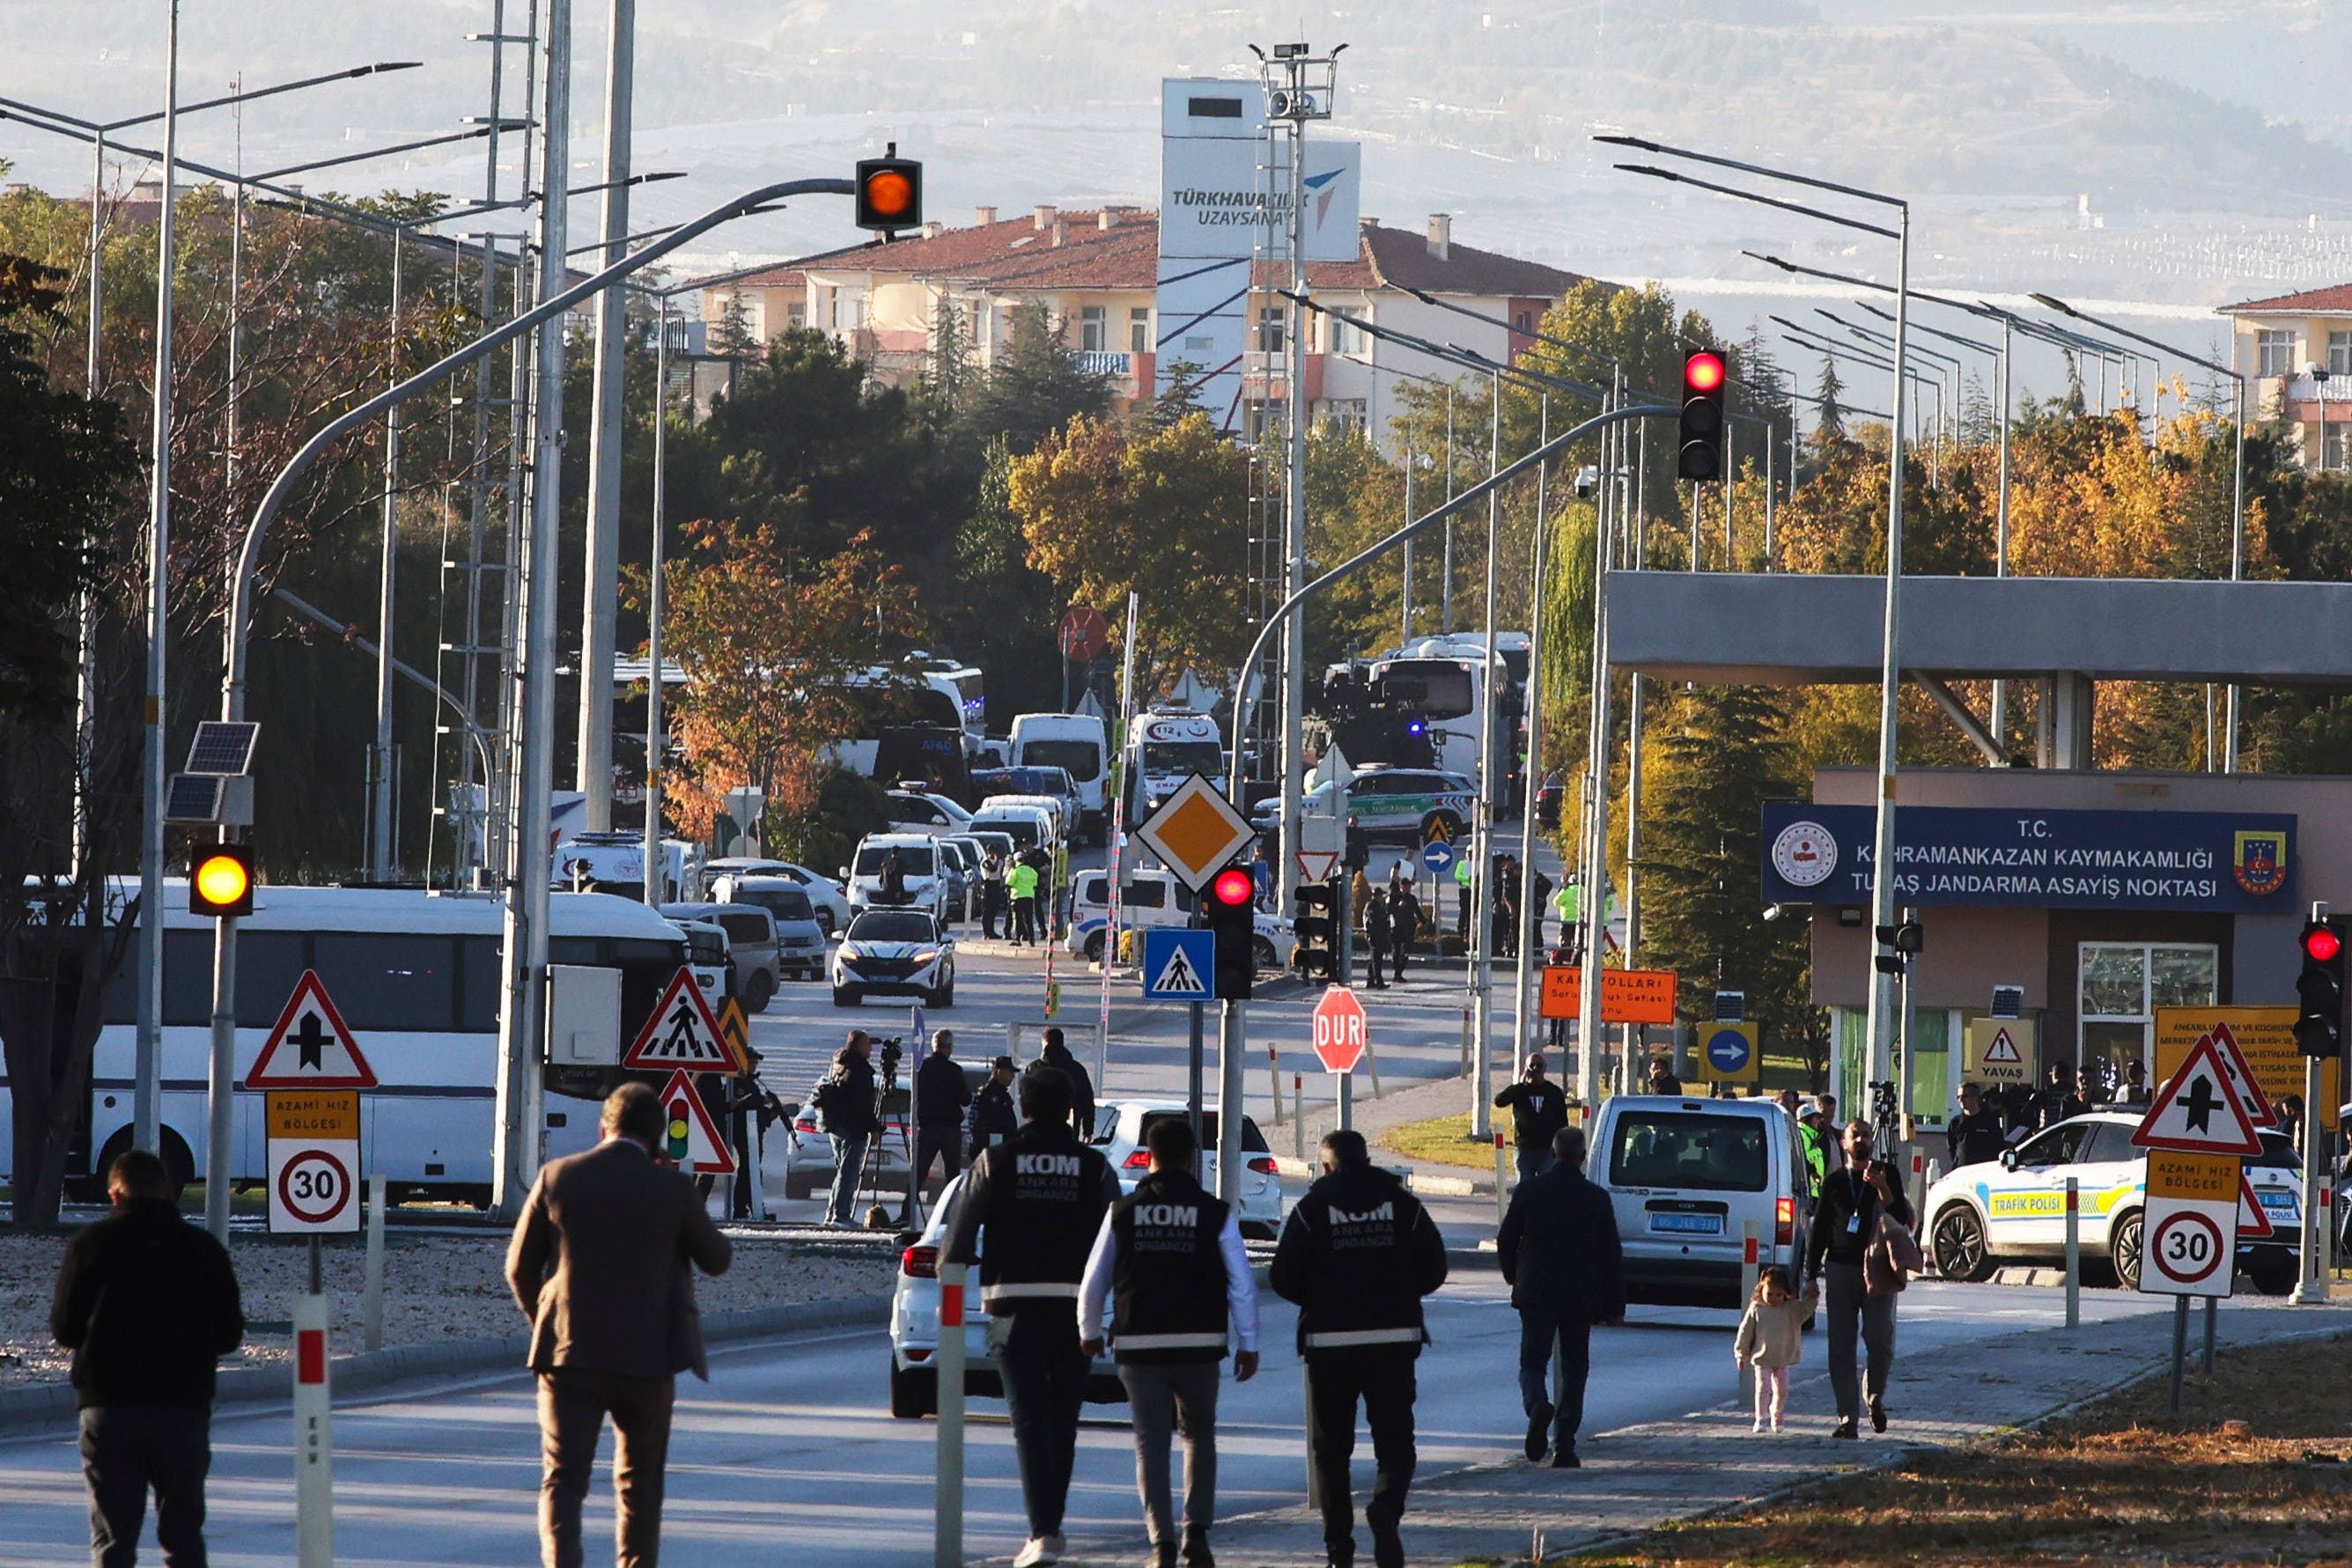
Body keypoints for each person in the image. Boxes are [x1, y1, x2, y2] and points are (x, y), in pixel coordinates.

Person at [506, 1082, 734, 1568]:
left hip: (570, 1356)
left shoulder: (557, 1176)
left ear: (602, 1126)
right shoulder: (671, 1189)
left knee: (564, 1479)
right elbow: (717, 1259)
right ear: (656, 1137)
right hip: (648, 1360)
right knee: (640, 1483)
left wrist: (545, 1324)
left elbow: (519, 1268)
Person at [945, 1063, 1121, 1568]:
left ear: (1023, 1107)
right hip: (1074, 1307)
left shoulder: (995, 1161)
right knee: (1064, 1419)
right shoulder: (1094, 1167)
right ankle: (1052, 1525)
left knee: (1027, 1419)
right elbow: (1118, 1235)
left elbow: (956, 1241)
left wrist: (949, 1271)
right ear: (1069, 1110)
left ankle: (1042, 1532)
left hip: (1012, 1303)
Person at [1080, 1116, 1261, 1568]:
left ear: (1150, 1155)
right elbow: (1241, 1282)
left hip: (1140, 1345)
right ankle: (1195, 1534)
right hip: (1201, 1345)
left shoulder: (1122, 1212)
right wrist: (1249, 1341)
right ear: (1191, 1157)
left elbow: (1094, 1279)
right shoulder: (1215, 1212)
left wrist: (1089, 1332)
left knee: (1151, 1441)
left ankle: (1160, 1543)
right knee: (1199, 1435)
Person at [50, 1148, 244, 1568]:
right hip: (182, 1408)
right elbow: (229, 1334)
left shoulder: (90, 1245)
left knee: (113, 1538)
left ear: (114, 1195)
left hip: (108, 1406)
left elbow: (65, 1328)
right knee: (183, 1536)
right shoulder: (204, 1250)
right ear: (170, 1193)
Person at [1271, 1130, 1449, 1568]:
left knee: (1331, 1453)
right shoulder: (1403, 1204)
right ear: (1367, 1159)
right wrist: (1403, 1295)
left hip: (1330, 1345)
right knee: (1396, 1443)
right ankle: (1385, 1509)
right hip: (1393, 1340)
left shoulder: (1313, 1208)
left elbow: (1281, 1276)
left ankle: (1339, 1549)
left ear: (1327, 1166)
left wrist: (1319, 1300)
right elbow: (1435, 1266)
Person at [1495, 1125, 1623, 1467]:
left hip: (1536, 1289)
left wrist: (1513, 1275)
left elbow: (1506, 1238)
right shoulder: (1596, 1198)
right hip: (1580, 1295)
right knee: (1574, 1367)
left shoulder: (1531, 1191)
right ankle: (1564, 1444)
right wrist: (1614, 1305)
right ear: (1582, 1158)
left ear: (1553, 1154)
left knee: (1533, 1363)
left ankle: (1537, 1404)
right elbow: (1611, 1254)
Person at [1803, 1121, 1914, 1439]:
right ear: (1844, 1142)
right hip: (1840, 1268)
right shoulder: (1835, 1181)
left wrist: (1883, 1189)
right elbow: (1820, 1227)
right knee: (1841, 1347)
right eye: (1856, 1135)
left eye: (1866, 1135)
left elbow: (1902, 1220)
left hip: (1878, 1268)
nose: (1862, 1139)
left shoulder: (1886, 1172)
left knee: (1880, 1340)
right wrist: (1810, 1276)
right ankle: (1847, 1418)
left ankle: (1875, 1395)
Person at [815, 1031, 883, 1226]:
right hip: (852, 1126)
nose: (870, 1049)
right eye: (868, 1044)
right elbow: (862, 1103)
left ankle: (832, 1213)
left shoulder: (841, 1064)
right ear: (860, 1046)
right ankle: (841, 1214)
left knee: (842, 1170)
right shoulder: (860, 1070)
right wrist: (874, 1127)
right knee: (849, 1172)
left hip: (837, 1125)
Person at [1734, 1265, 1804, 1435]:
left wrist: (1812, 1297)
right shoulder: (1757, 1309)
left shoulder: (1790, 1310)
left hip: (1782, 1358)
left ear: (1786, 1294)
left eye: (1779, 1295)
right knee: (1762, 1388)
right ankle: (1761, 1418)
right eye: (1770, 1294)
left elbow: (1806, 1310)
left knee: (1782, 1389)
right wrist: (1741, 1354)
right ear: (1761, 1290)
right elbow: (1745, 1332)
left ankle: (1777, 1411)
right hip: (1762, 1358)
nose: (1774, 1298)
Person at [912, 1028, 972, 1196]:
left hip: (928, 1126)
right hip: (949, 1127)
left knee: (920, 1170)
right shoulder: (953, 1070)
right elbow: (965, 1098)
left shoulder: (922, 1068)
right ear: (949, 1047)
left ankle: (906, 1212)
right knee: (952, 1173)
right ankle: (951, 1209)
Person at [1493, 1053, 1569, 1185]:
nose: (1536, 1069)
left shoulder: (1553, 1092)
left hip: (1547, 1149)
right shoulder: (1519, 1091)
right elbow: (1499, 1101)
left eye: (1539, 1066)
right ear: (1526, 1069)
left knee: (1546, 1187)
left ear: (1545, 1068)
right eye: (1532, 1066)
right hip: (1525, 1148)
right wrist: (1519, 1084)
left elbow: (1563, 1121)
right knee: (1525, 1186)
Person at [1039, 1026, 1099, 1141]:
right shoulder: (1077, 1069)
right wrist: (1088, 1130)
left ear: (1045, 1043)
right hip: (1069, 1130)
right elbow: (1087, 1101)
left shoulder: (1034, 1068)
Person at [970, 1054, 1021, 1159]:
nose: (1013, 1076)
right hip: (993, 1147)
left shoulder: (999, 1093)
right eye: (1010, 1072)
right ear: (1000, 1071)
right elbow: (992, 1127)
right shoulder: (991, 1095)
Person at [1948, 1082, 2009, 1168]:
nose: (1960, 1100)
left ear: (1975, 1098)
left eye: (1964, 1096)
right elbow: (1952, 1148)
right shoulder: (1955, 1122)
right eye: (1958, 1097)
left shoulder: (1989, 1121)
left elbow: (1998, 1145)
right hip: (1962, 1170)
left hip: (1984, 1170)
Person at [2035, 1062, 2087, 1131]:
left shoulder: (2047, 1091)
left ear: (2055, 1075)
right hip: (2068, 1130)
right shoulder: (2074, 1091)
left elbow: (2033, 1108)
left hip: (2048, 1132)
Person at [1386, 885, 1419, 984]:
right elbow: (1388, 910)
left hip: (1408, 928)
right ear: (1401, 887)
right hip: (1396, 928)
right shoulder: (1393, 897)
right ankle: (1397, 973)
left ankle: (1399, 972)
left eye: (1409, 886)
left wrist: (1423, 922)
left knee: (1406, 951)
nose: (1408, 888)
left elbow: (1416, 910)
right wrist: (1398, 906)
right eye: (1406, 886)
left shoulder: (1411, 898)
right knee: (1396, 951)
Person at [1008, 854, 1042, 946]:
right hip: (1029, 897)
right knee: (1029, 920)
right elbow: (1035, 883)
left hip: (1017, 897)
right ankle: (1032, 940)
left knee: (1017, 919)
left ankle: (1017, 939)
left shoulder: (1016, 871)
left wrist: (1011, 870)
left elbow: (1009, 881)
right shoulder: (1031, 870)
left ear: (1016, 861)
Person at [1363, 887, 1391, 990]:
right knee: (1377, 960)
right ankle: (1379, 981)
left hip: (1380, 935)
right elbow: (1374, 921)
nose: (1382, 898)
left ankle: (1370, 980)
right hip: (1375, 936)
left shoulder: (1379, 905)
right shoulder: (1372, 905)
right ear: (1377, 896)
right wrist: (1384, 925)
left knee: (1374, 959)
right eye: (1381, 896)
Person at [1814, 1093, 1846, 1174]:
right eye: (1825, 1112)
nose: (1829, 1115)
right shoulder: (1814, 1136)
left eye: (1832, 1111)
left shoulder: (1837, 1135)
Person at [983, 851, 1009, 940]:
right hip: (988, 885)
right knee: (987, 911)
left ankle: (992, 931)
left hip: (996, 884)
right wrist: (996, 860)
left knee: (994, 910)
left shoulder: (1000, 862)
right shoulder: (986, 861)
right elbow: (992, 869)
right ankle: (986, 932)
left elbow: (1001, 872)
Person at [1528, 866, 1553, 952]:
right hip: (1535, 906)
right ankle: (1536, 948)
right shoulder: (1536, 880)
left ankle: (1537, 949)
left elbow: (1548, 885)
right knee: (1534, 928)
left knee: (1536, 928)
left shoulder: (1540, 880)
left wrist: (1541, 896)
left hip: (1538, 907)